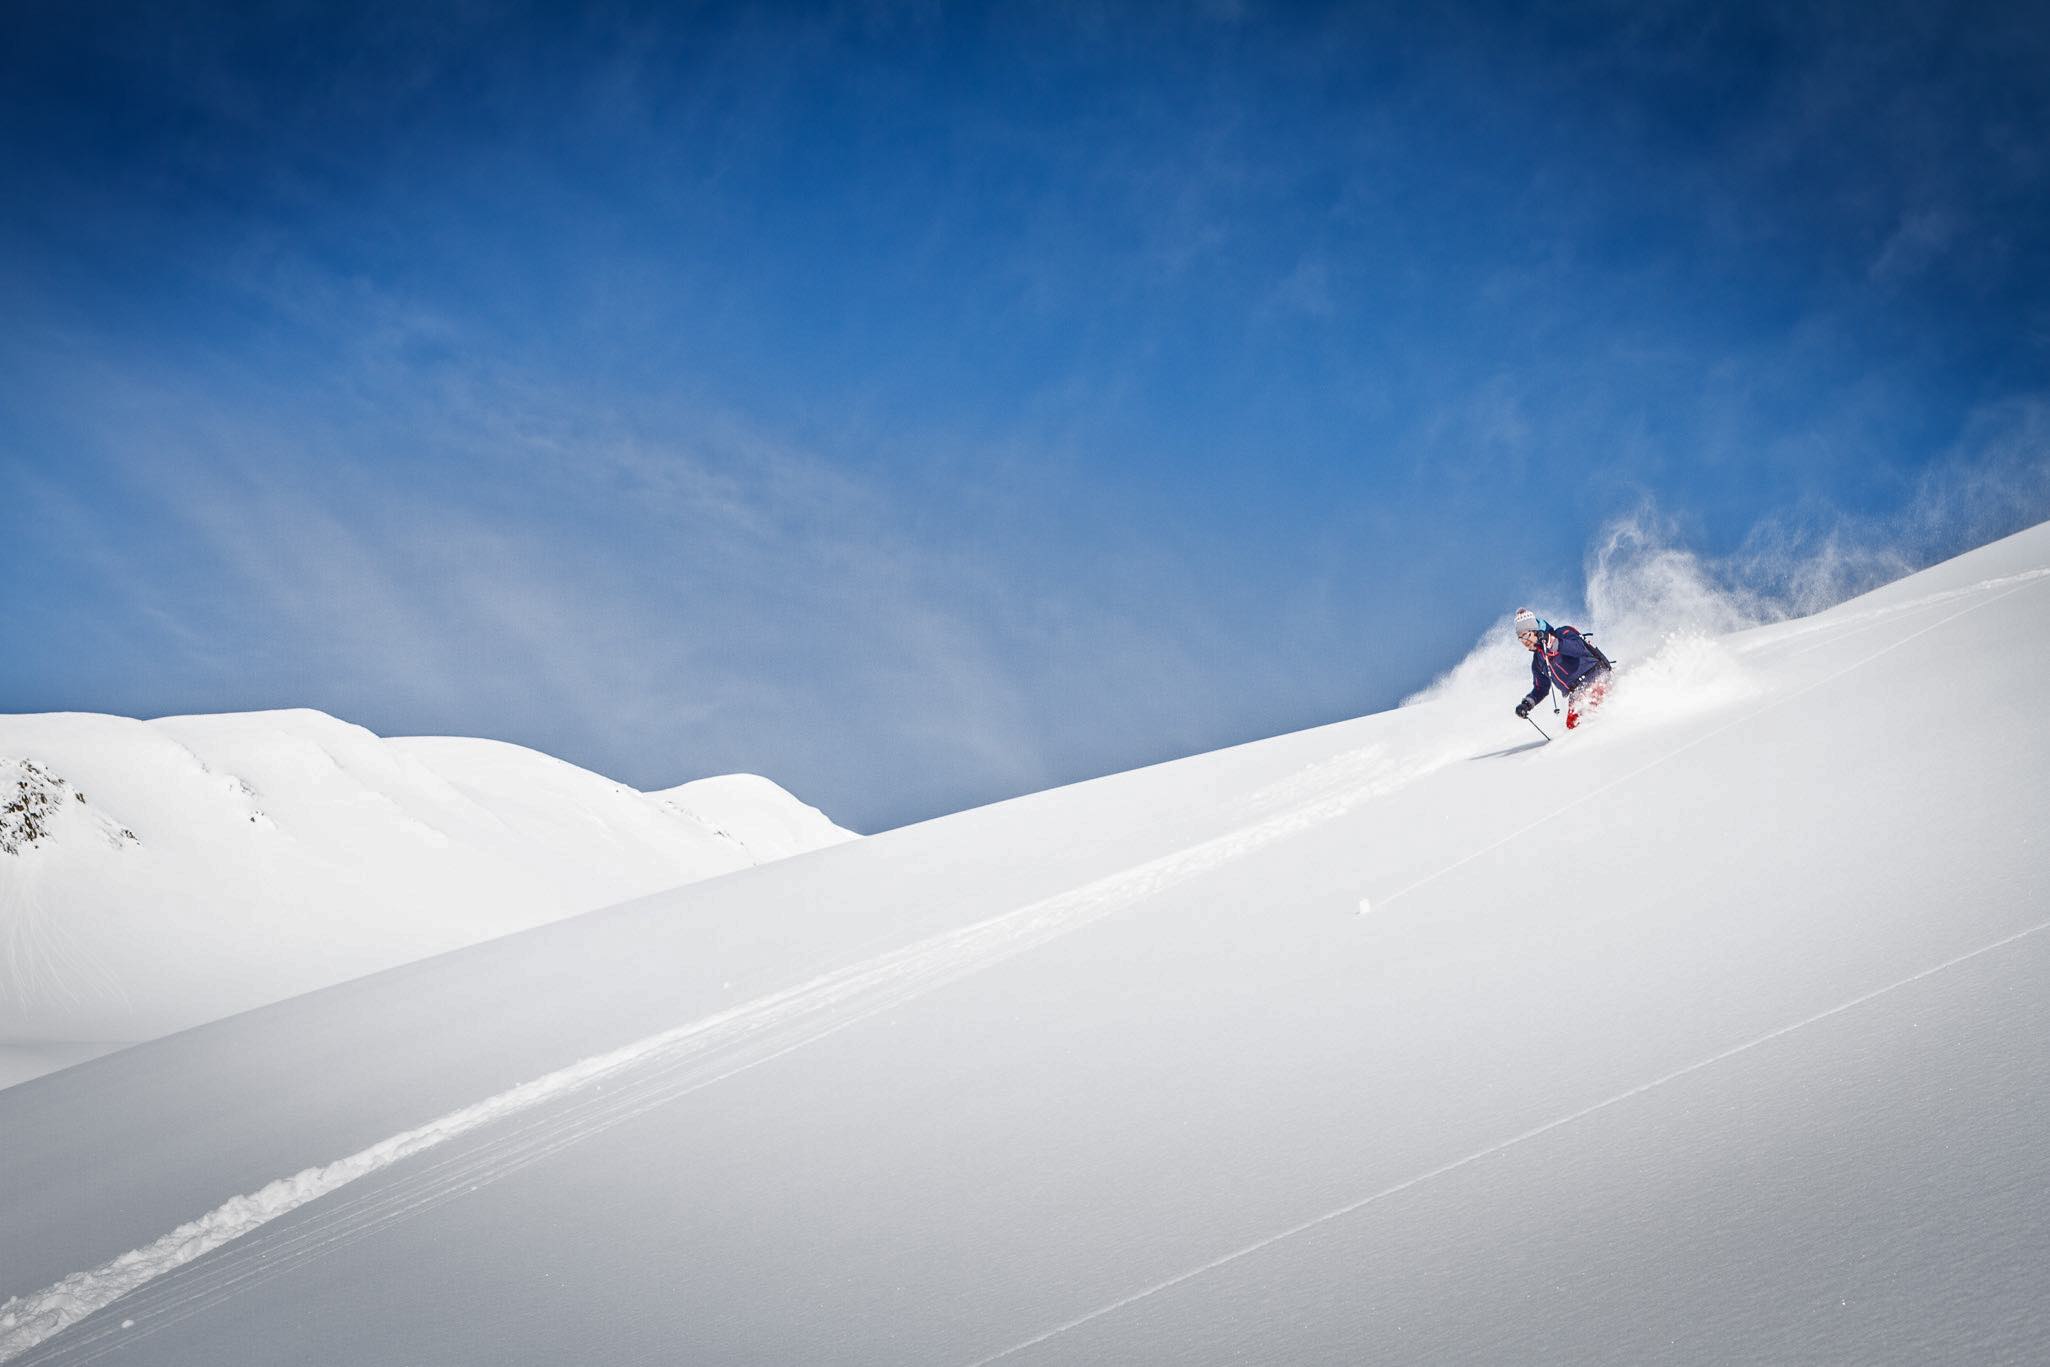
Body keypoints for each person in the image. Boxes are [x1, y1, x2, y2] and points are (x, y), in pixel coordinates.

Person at [1512, 607, 1611, 729]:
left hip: (1595, 678)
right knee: (1573, 727)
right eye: (1520, 637)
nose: (1524, 641)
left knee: (1590, 720)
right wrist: (1527, 704)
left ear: (1535, 631)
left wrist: (1552, 642)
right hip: (1576, 693)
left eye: (1525, 635)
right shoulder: (1538, 660)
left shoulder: (1563, 633)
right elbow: (1541, 688)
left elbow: (1579, 648)